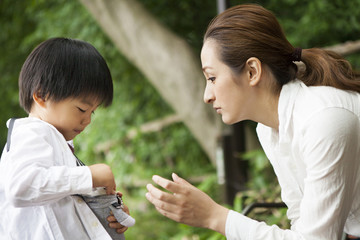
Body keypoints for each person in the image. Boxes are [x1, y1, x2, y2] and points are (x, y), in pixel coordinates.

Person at [146, 4, 360, 240]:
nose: (207, 95)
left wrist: (215, 217)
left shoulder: (324, 120)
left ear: (252, 71)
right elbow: (302, 222)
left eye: (213, 78)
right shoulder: (269, 129)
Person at [0, 37, 131, 239]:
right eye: (82, 109)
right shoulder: (30, 131)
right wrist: (90, 176)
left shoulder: (58, 144)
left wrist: (106, 209)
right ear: (42, 95)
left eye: (92, 112)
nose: (87, 120)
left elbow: (60, 200)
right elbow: (21, 186)